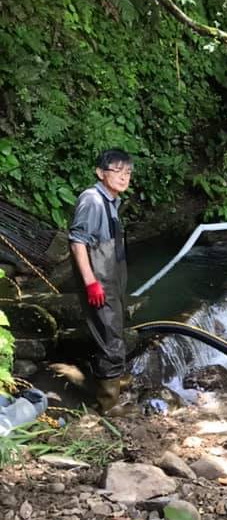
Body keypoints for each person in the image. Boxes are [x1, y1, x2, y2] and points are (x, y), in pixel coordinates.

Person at [68, 149, 132, 413]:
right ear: (100, 172)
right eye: (117, 170)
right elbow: (77, 242)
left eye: (127, 172)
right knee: (109, 337)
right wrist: (90, 282)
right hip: (99, 278)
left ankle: (114, 380)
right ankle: (109, 403)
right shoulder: (92, 200)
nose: (124, 177)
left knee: (114, 329)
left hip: (112, 275)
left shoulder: (112, 201)